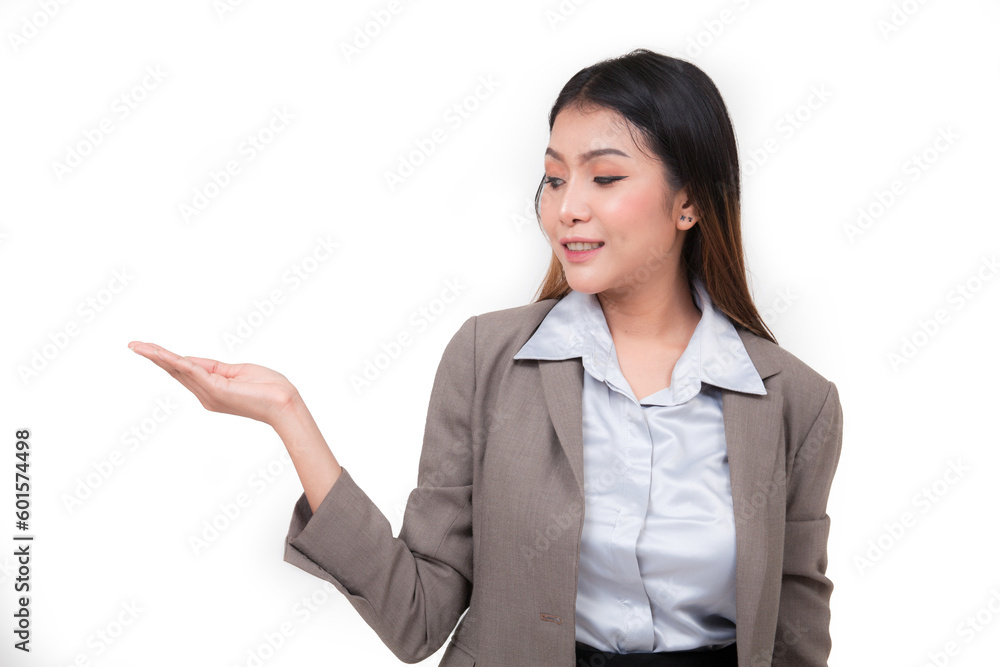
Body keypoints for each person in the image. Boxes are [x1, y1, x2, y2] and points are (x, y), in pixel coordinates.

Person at [130, 48, 844, 666]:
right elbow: (418, 614)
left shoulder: (794, 403)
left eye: (605, 177)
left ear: (688, 203)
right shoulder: (489, 359)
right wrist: (289, 416)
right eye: (556, 177)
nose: (567, 207)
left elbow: (794, 638)